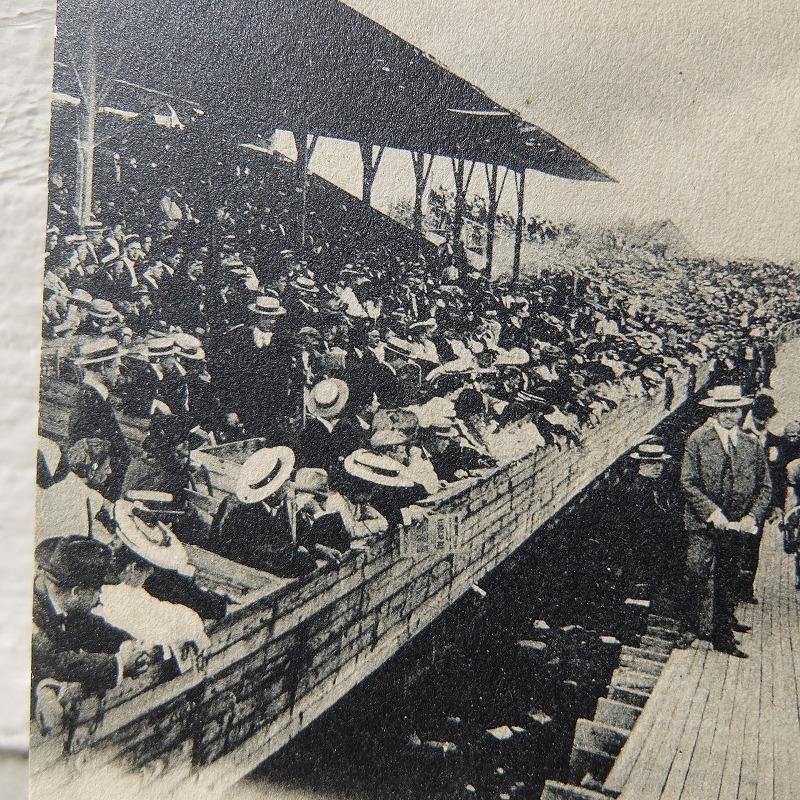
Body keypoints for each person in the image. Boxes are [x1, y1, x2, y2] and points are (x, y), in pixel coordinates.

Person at [680, 385, 772, 656]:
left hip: (736, 527)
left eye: (734, 410)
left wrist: (751, 516)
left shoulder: (751, 444)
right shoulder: (698, 440)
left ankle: (722, 633)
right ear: (715, 411)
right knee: (696, 571)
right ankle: (690, 627)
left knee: (728, 577)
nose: (729, 415)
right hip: (703, 524)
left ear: (741, 411)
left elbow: (765, 486)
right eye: (724, 410)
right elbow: (688, 482)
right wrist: (712, 512)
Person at [32, 536, 151, 696]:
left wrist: (129, 644)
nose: (100, 595)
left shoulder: (59, 596)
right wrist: (119, 664)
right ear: (76, 592)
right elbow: (55, 662)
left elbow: (91, 628)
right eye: (97, 589)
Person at [209, 447, 317, 578]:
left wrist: (315, 548)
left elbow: (299, 533)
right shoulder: (241, 513)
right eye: (284, 481)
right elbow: (252, 554)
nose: (290, 483)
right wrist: (295, 553)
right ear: (273, 491)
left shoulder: (285, 501)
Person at [68, 338, 131, 502]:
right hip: (97, 493)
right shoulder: (94, 401)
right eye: (116, 366)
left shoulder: (89, 395)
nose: (119, 372)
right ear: (102, 367)